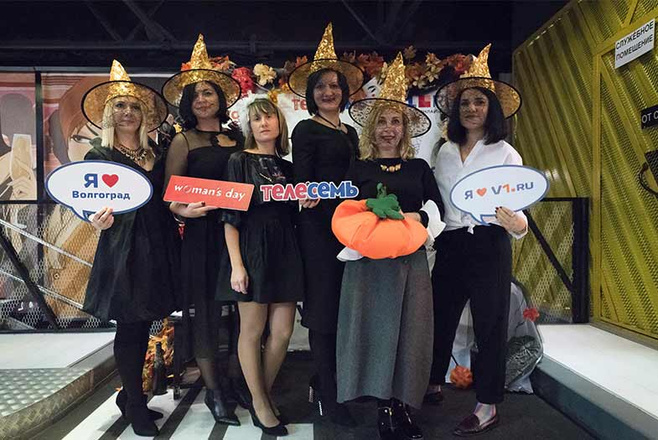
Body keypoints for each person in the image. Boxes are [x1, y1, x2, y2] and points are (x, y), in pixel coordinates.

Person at [336, 53, 440, 440]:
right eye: (382, 122)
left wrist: (416, 217)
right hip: (368, 264)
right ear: (371, 128)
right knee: (376, 332)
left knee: (410, 333)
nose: (388, 129)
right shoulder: (358, 168)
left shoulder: (419, 169)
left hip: (410, 262)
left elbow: (436, 210)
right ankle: (383, 407)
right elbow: (345, 209)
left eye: (395, 122)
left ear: (405, 129)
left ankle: (403, 406)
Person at [429, 44, 527, 436]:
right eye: (465, 102)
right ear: (456, 110)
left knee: (490, 325)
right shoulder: (444, 152)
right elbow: (436, 202)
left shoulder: (506, 153)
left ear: (492, 108)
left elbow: (521, 213)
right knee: (438, 318)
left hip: (489, 244)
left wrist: (515, 221)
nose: (471, 109)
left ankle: (487, 405)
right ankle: (432, 383)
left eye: (480, 102)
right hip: (451, 244)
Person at [81, 60, 178, 437]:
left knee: (148, 319)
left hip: (160, 241)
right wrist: (95, 219)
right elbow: (87, 202)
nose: (127, 112)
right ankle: (134, 404)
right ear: (109, 113)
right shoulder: (99, 156)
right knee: (130, 324)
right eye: (119, 106)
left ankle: (131, 398)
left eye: (134, 106)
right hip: (124, 248)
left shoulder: (158, 152)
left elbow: (169, 197)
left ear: (144, 113)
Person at [162, 34, 242, 426]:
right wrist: (184, 211)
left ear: (220, 98)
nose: (203, 100)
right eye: (195, 96)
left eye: (208, 92)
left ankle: (237, 381)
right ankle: (214, 391)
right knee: (207, 313)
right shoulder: (184, 140)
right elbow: (170, 196)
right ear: (187, 104)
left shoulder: (238, 138)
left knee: (244, 312)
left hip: (239, 235)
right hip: (203, 236)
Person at [287, 22, 364, 426]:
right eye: (320, 87)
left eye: (334, 85)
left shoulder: (350, 131)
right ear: (311, 94)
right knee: (323, 311)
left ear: (344, 91)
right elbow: (303, 181)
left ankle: (332, 381)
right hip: (319, 231)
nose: (328, 91)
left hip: (351, 229)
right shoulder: (305, 129)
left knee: (345, 310)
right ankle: (328, 396)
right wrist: (309, 192)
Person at [218, 96, 304, 437]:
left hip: (285, 250)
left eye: (269, 117)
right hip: (252, 248)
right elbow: (230, 217)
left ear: (280, 124)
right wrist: (237, 265)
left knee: (282, 333)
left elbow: (294, 213)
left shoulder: (289, 167)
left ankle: (259, 394)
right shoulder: (238, 161)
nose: (264, 123)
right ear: (249, 127)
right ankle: (260, 402)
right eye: (256, 119)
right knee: (252, 331)